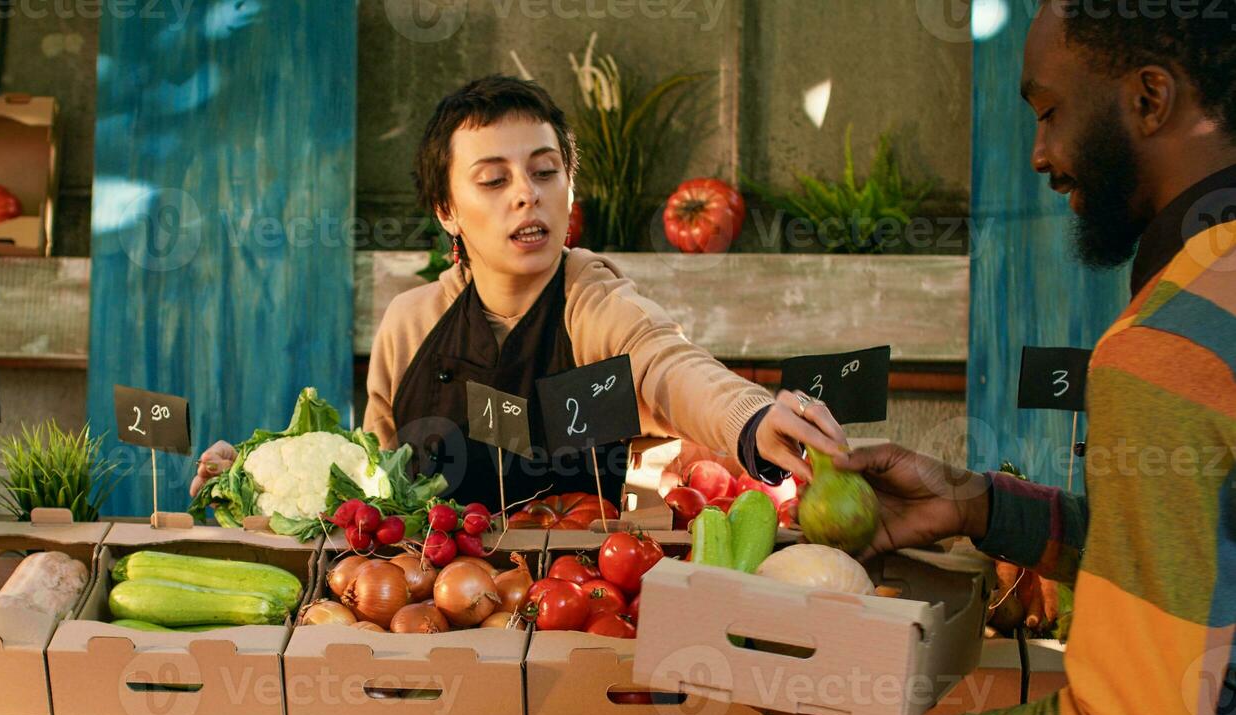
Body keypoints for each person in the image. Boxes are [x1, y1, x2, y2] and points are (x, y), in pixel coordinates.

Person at [774, 7, 1236, 715]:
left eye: (1049, 112)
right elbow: (1206, 557)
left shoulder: (1168, 346)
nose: (1039, 155)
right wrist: (984, 506)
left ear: (1147, 97)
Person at [193, 75, 846, 508]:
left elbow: (669, 365)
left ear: (568, 188)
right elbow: (371, 482)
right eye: (492, 179)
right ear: (446, 208)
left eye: (543, 170)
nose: (525, 194)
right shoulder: (411, 323)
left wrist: (751, 421)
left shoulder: (594, 305)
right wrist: (249, 481)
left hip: (577, 610)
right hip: (428, 610)